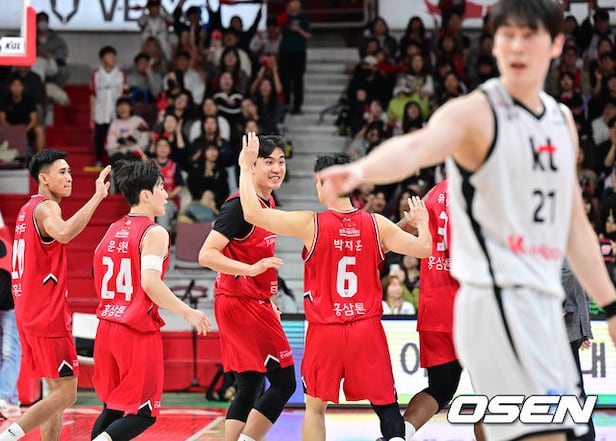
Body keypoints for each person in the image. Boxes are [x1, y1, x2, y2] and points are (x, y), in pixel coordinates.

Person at [318, 1, 616, 440]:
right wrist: (362, 170)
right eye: (506, 35)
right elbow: (417, 146)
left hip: (535, 302)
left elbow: (574, 225)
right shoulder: (474, 112)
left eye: (528, 35)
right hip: (487, 306)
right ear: (494, 44)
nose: (516, 46)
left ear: (555, 44)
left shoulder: (561, 121)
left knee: (557, 430)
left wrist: (610, 304)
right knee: (527, 424)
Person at [237, 134, 432, 441]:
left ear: (326, 183)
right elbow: (424, 249)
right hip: (366, 329)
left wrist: (245, 167)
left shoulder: (310, 223)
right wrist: (422, 222)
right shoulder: (377, 224)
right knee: (386, 406)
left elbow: (252, 213)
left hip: (325, 330)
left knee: (315, 409)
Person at [90, 160, 210, 441]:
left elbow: (97, 272)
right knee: (143, 413)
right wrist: (187, 311)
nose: (166, 194)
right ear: (145, 195)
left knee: (113, 408)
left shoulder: (112, 229)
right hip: (134, 330)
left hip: (106, 328)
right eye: (161, 188)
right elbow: (150, 283)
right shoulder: (154, 232)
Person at [2, 150, 110, 441]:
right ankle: (8, 436)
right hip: (46, 314)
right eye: (62, 172)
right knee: (67, 393)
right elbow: (63, 233)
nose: (69, 177)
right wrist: (97, 197)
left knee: (54, 392)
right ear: (43, 178)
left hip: (27, 309)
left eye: (70, 172)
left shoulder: (27, 209)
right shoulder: (47, 208)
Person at [198, 135, 296, 441]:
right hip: (240, 302)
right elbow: (206, 254)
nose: (277, 168)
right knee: (284, 383)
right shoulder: (239, 206)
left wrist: (268, 297)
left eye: (281, 161)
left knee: (250, 384)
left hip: (246, 300)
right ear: (251, 166)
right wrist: (249, 271)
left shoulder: (266, 202)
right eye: (268, 162)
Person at [400, 178, 484, 441]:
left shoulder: (435, 192)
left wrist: (410, 223)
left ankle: (398, 435)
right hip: (475, 310)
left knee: (440, 387)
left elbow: (400, 232)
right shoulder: (489, 187)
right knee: (491, 394)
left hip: (435, 308)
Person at [561, 259, 595, 441]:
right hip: (567, 325)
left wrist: (554, 304)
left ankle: (585, 437)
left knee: (571, 391)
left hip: (561, 325)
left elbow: (567, 271)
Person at [0, 212, 20, 420]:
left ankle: (3, 397)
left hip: (13, 306)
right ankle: (12, 401)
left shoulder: (3, 247)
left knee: (10, 352)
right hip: (3, 304)